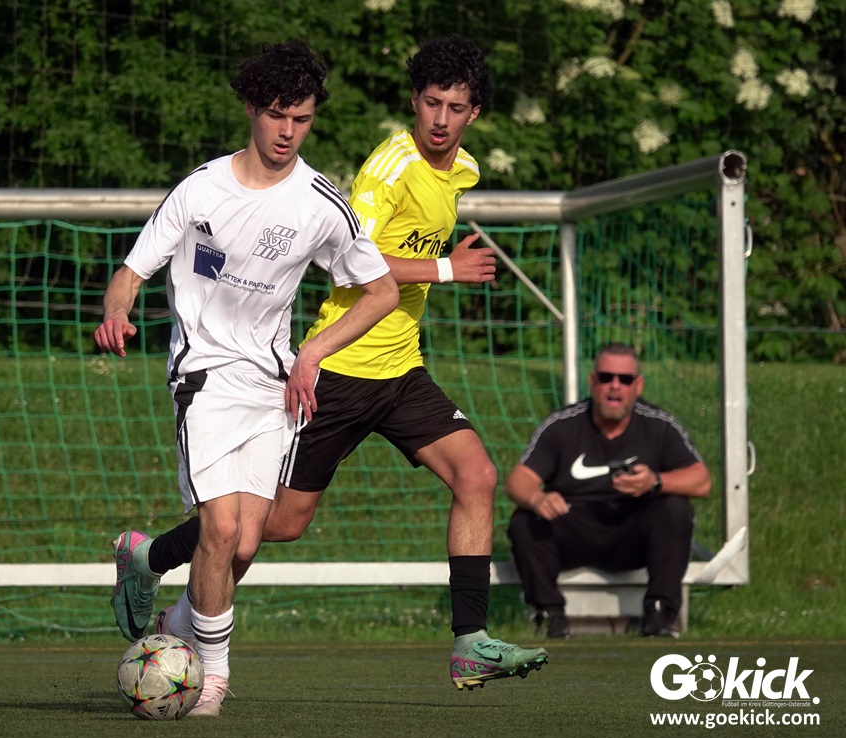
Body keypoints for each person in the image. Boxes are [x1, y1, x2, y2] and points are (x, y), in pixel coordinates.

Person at [142, 34, 549, 692]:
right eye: (431, 102)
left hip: (401, 370)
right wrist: (447, 268)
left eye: (455, 107)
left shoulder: (463, 170)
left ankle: (470, 643)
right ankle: (156, 560)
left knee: (476, 473)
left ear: (474, 113)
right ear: (414, 101)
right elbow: (355, 265)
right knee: (269, 526)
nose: (441, 119)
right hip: (339, 367)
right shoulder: (390, 168)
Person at [96, 39, 399, 718]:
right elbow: (130, 273)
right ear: (251, 109)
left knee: (249, 541)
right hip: (202, 374)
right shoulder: (201, 188)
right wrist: (117, 313)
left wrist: (312, 352)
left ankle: (176, 620)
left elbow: (380, 292)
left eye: (302, 118)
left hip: (272, 385)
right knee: (222, 527)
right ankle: (213, 678)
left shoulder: (321, 204)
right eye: (276, 115)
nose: (288, 131)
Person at [504, 342, 712, 639]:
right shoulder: (562, 425)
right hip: (574, 530)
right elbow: (517, 480)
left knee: (675, 509)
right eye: (606, 377)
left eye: (625, 379)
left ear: (638, 386)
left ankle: (660, 615)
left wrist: (655, 481)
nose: (615, 386)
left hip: (633, 536)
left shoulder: (659, 426)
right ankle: (549, 616)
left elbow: (702, 481)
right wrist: (538, 498)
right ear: (592, 381)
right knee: (525, 520)